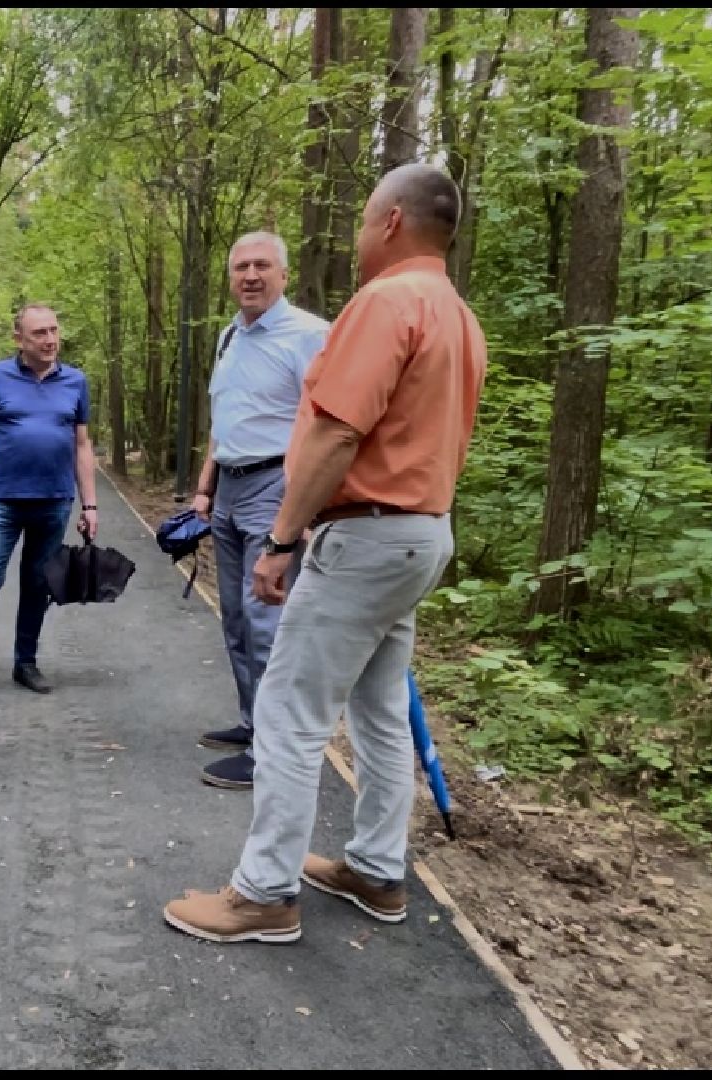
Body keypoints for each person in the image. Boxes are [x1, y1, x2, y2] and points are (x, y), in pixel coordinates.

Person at [164, 164, 487, 943]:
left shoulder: (384, 303)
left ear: (390, 222)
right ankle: (376, 868)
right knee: (378, 707)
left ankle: (262, 893)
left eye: (364, 220)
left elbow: (336, 431)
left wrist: (281, 538)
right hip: (421, 532)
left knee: (288, 711)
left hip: (366, 534)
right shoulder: (456, 313)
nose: (357, 235)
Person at [188, 232, 330, 791]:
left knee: (267, 621)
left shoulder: (310, 335)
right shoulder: (230, 335)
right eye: (241, 266)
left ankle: (271, 752)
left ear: (284, 275)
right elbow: (225, 419)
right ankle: (253, 722)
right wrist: (205, 488)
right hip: (228, 488)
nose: (250, 275)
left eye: (262, 265)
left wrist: (306, 509)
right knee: (236, 618)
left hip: (276, 486)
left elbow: (326, 426)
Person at [0, 304, 98, 703]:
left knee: (38, 583)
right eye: (39, 333)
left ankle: (25, 662)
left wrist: (90, 505)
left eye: (53, 330)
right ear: (19, 339)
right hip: (1, 502)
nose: (50, 340)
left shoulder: (75, 381)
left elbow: (81, 445)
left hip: (55, 501)